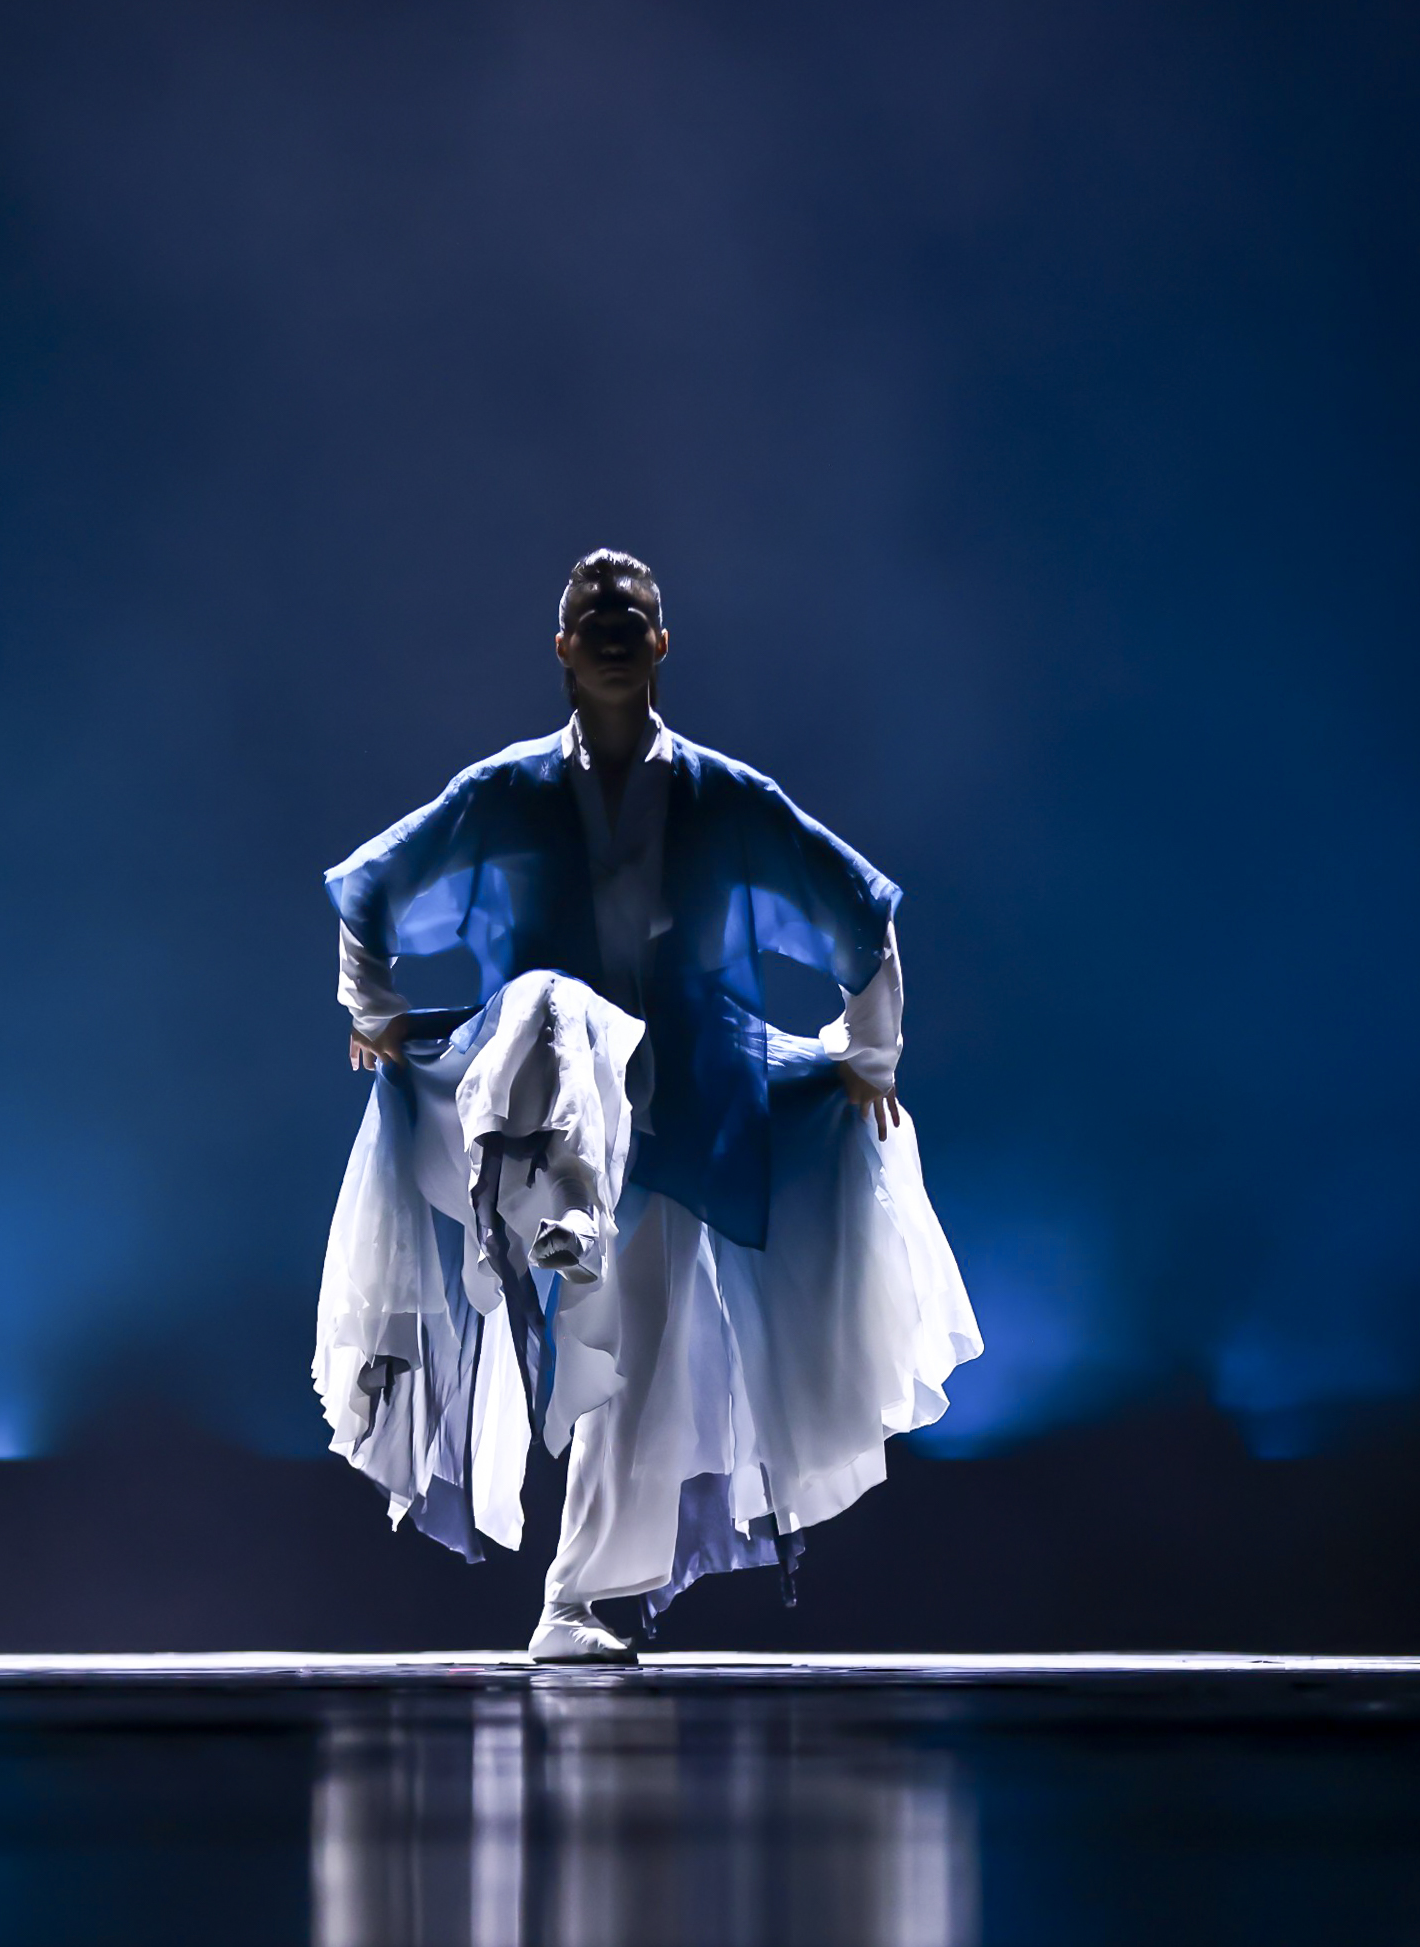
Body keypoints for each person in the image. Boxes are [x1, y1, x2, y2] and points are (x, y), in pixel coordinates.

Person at [315, 549, 979, 1662]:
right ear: (565, 647)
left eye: (633, 614)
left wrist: (869, 1054)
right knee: (559, 1005)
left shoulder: (724, 797)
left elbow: (857, 908)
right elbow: (372, 883)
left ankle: (568, 1602)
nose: (615, 626)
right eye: (595, 614)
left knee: (633, 1366)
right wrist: (374, 1007)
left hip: (672, 1119)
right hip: (535, 1102)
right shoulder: (509, 791)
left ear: (661, 644)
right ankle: (571, 1205)